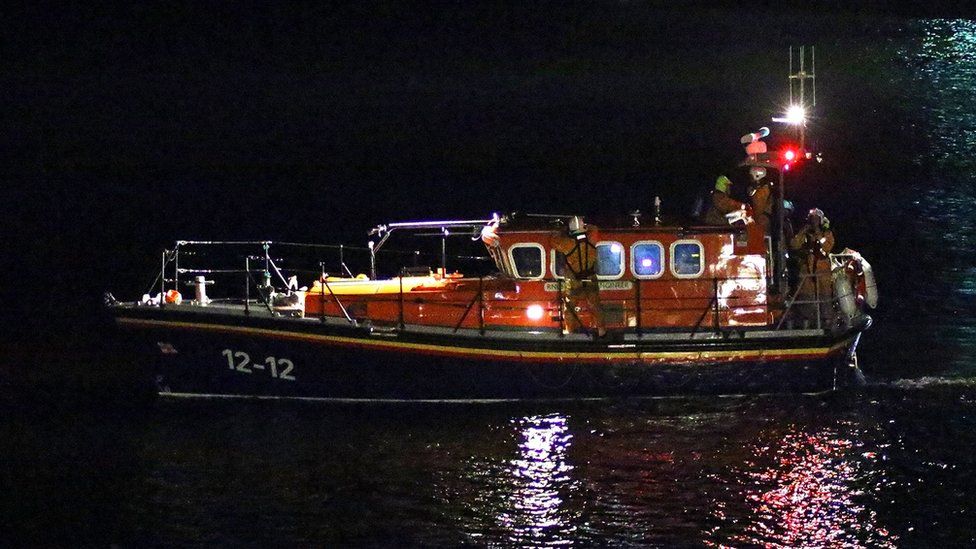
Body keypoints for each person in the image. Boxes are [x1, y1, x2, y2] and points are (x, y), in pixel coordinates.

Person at [550, 216, 606, 337]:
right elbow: (594, 228)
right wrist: (585, 226)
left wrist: (563, 230)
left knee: (570, 307)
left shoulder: (568, 243)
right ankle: (601, 330)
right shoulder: (592, 238)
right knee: (595, 306)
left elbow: (553, 241)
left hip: (574, 281)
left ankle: (570, 331)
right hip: (591, 279)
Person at [789, 208, 836, 326]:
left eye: (816, 219)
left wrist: (818, 235)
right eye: (812, 219)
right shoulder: (805, 234)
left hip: (822, 270)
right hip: (807, 271)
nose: (814, 221)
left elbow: (827, 248)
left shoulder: (827, 233)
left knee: (825, 297)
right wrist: (802, 232)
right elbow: (794, 245)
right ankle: (808, 323)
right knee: (806, 297)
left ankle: (827, 322)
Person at [748, 167, 773, 231]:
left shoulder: (762, 192)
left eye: (751, 177)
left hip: (762, 222)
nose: (750, 179)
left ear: (757, 176)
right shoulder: (760, 190)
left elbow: (758, 210)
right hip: (761, 221)